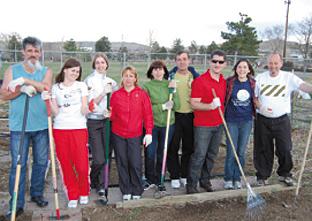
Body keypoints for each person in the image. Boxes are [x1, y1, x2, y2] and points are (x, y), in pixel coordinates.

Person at [0, 36, 52, 219]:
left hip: (41, 126)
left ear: (40, 53)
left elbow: (46, 87)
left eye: (37, 51)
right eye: (30, 51)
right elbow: (4, 95)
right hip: (19, 127)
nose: (33, 54)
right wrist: (18, 90)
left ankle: (37, 194)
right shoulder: (12, 70)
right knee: (18, 165)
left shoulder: (45, 70)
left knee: (41, 162)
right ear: (23, 52)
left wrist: (26, 81)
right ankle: (16, 203)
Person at [254, 52, 312, 186]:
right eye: (270, 63)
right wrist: (260, 107)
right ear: (267, 63)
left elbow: (303, 86)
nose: (273, 66)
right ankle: (262, 176)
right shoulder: (260, 78)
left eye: (275, 63)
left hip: (281, 120)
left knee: (285, 148)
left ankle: (285, 174)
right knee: (263, 148)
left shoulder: (288, 77)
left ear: (281, 63)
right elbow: (254, 97)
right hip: (262, 120)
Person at [42, 58, 90, 208]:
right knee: (66, 163)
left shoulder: (81, 86)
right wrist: (48, 100)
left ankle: (84, 191)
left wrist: (89, 107)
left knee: (82, 165)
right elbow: (56, 112)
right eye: (73, 70)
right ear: (65, 70)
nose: (75, 73)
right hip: (60, 128)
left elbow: (84, 108)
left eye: (77, 71)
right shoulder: (56, 88)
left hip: (79, 128)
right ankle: (72, 194)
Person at [109, 66, 154, 201]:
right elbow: (113, 116)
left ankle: (137, 189)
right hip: (118, 134)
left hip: (135, 134)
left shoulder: (141, 94)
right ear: (122, 77)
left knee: (135, 162)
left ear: (135, 78)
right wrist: (109, 115)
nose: (128, 78)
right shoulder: (116, 95)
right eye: (126, 75)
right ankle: (126, 189)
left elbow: (148, 115)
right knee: (122, 162)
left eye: (131, 76)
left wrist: (149, 132)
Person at [187, 50, 227, 194]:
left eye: (220, 62)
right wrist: (210, 106)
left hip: (219, 124)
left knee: (211, 155)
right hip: (203, 125)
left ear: (224, 64)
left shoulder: (223, 81)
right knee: (199, 155)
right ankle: (191, 185)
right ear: (210, 62)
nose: (217, 64)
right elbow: (193, 103)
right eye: (214, 61)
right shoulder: (200, 81)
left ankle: (205, 181)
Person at [84, 53, 118, 196]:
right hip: (93, 121)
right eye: (97, 63)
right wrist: (103, 93)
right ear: (94, 65)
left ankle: (103, 184)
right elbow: (90, 105)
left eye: (102, 62)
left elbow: (116, 103)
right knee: (99, 158)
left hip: (107, 122)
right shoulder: (88, 81)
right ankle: (93, 178)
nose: (100, 65)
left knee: (107, 155)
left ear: (106, 64)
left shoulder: (112, 82)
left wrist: (111, 111)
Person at [143, 60, 180, 190]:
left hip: (168, 124)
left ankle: (160, 179)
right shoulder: (146, 86)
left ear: (164, 71)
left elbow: (178, 105)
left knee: (162, 152)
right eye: (155, 69)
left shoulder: (169, 84)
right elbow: (146, 108)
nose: (158, 71)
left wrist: (173, 93)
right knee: (150, 153)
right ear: (151, 72)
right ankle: (149, 178)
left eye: (160, 69)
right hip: (152, 125)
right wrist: (163, 106)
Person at [167, 51, 199, 189]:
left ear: (189, 61)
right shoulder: (171, 76)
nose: (182, 62)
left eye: (184, 59)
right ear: (176, 61)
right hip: (175, 115)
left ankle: (184, 174)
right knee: (173, 146)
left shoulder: (194, 76)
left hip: (191, 115)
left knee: (188, 147)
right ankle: (174, 175)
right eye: (179, 59)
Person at [223, 59, 256, 190]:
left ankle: (237, 178)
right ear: (236, 69)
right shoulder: (230, 82)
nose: (242, 70)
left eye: (245, 67)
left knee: (241, 151)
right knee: (231, 151)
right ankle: (228, 178)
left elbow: (257, 98)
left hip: (246, 121)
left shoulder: (253, 83)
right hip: (231, 121)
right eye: (239, 67)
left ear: (249, 70)